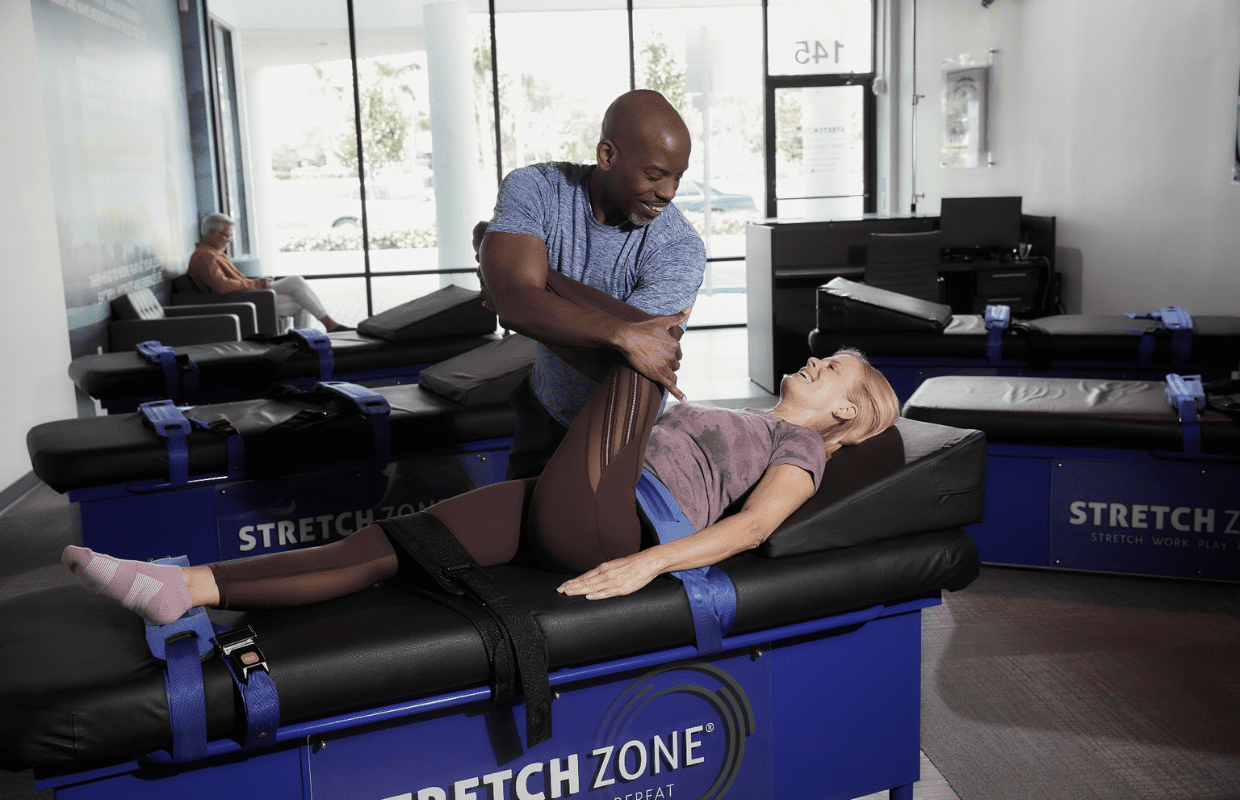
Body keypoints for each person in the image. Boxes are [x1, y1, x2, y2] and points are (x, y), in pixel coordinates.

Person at [62, 269, 900, 624]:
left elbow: (753, 530)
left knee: (650, 353)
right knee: (385, 546)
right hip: (567, 501)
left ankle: (522, 282)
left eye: (836, 372)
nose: (818, 361)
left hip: (627, 526)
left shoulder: (804, 451)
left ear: (848, 416)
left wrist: (650, 564)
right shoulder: (754, 416)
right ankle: (185, 589)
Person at [477, 89, 708, 479]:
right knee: (516, 534)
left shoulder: (679, 247)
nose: (668, 193)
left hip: (620, 431)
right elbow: (516, 302)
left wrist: (523, 290)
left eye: (677, 178)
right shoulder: (536, 189)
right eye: (653, 175)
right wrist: (621, 333)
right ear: (607, 155)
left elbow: (633, 366)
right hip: (544, 409)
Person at [188, 212, 352, 332]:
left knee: (302, 298)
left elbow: (229, 281)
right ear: (211, 232)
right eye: (226, 235)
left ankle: (311, 335)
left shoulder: (213, 254)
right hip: (245, 298)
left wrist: (256, 281)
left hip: (248, 294)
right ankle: (326, 326)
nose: (229, 240)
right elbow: (222, 286)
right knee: (296, 283)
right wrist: (258, 283)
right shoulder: (204, 256)